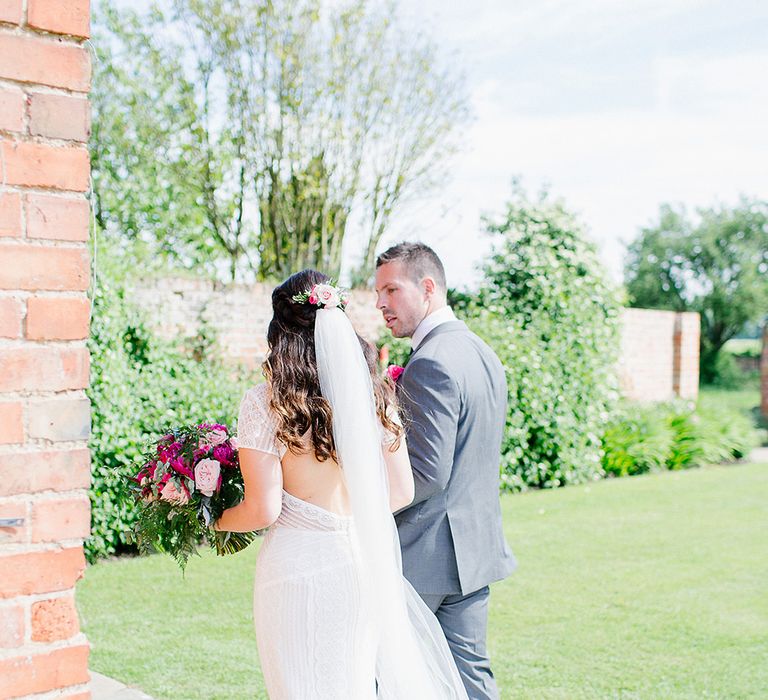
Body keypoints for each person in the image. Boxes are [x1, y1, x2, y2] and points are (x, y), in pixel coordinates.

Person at [215, 269, 468, 699]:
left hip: (296, 566)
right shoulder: (373, 394)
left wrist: (213, 518)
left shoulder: (267, 401)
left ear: (280, 331)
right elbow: (402, 491)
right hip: (358, 564)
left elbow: (263, 508)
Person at [375, 242, 517, 700]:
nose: (381, 303)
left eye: (391, 290)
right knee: (471, 680)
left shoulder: (432, 360)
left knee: (387, 677)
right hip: (474, 551)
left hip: (426, 554)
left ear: (428, 287)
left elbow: (426, 472)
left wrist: (362, 494)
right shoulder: (482, 353)